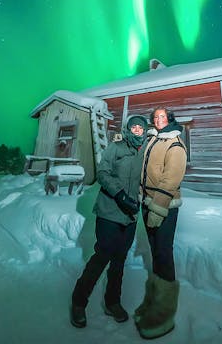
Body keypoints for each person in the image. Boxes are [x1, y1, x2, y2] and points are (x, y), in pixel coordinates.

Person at [70, 115, 148, 328]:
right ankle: (78, 302)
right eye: (134, 126)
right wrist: (121, 194)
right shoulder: (116, 147)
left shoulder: (145, 151)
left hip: (130, 216)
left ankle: (112, 301)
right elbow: (103, 173)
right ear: (128, 129)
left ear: (145, 130)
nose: (137, 129)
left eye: (141, 127)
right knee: (101, 257)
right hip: (109, 212)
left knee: (119, 260)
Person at [135, 107, 187, 339]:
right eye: (155, 117)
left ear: (170, 120)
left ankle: (164, 313)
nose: (158, 120)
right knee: (156, 253)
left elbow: (170, 180)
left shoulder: (175, 145)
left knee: (164, 253)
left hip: (163, 206)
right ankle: (153, 301)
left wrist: (159, 207)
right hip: (148, 202)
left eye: (162, 117)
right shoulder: (153, 140)